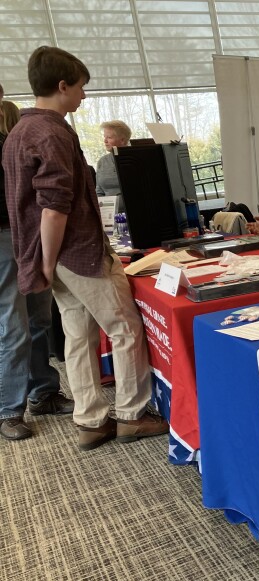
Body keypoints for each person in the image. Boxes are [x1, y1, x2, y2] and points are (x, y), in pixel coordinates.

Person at [2, 46, 167, 450]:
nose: (84, 96)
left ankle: (90, 420)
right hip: (77, 252)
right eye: (80, 87)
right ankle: (132, 415)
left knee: (77, 335)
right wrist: (47, 258)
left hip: (55, 257)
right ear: (62, 86)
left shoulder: (18, 132)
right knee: (125, 328)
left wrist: (43, 261)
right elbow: (54, 207)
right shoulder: (53, 132)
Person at [1, 98, 75, 441]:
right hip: (3, 239)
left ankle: (43, 393)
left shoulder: (11, 137)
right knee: (13, 327)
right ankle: (9, 410)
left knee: (40, 318)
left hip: (27, 234)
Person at [95, 119, 131, 208]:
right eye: (104, 137)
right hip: (108, 213)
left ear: (122, 140)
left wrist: (113, 204)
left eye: (109, 137)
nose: (105, 141)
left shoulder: (134, 160)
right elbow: (99, 192)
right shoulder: (102, 162)